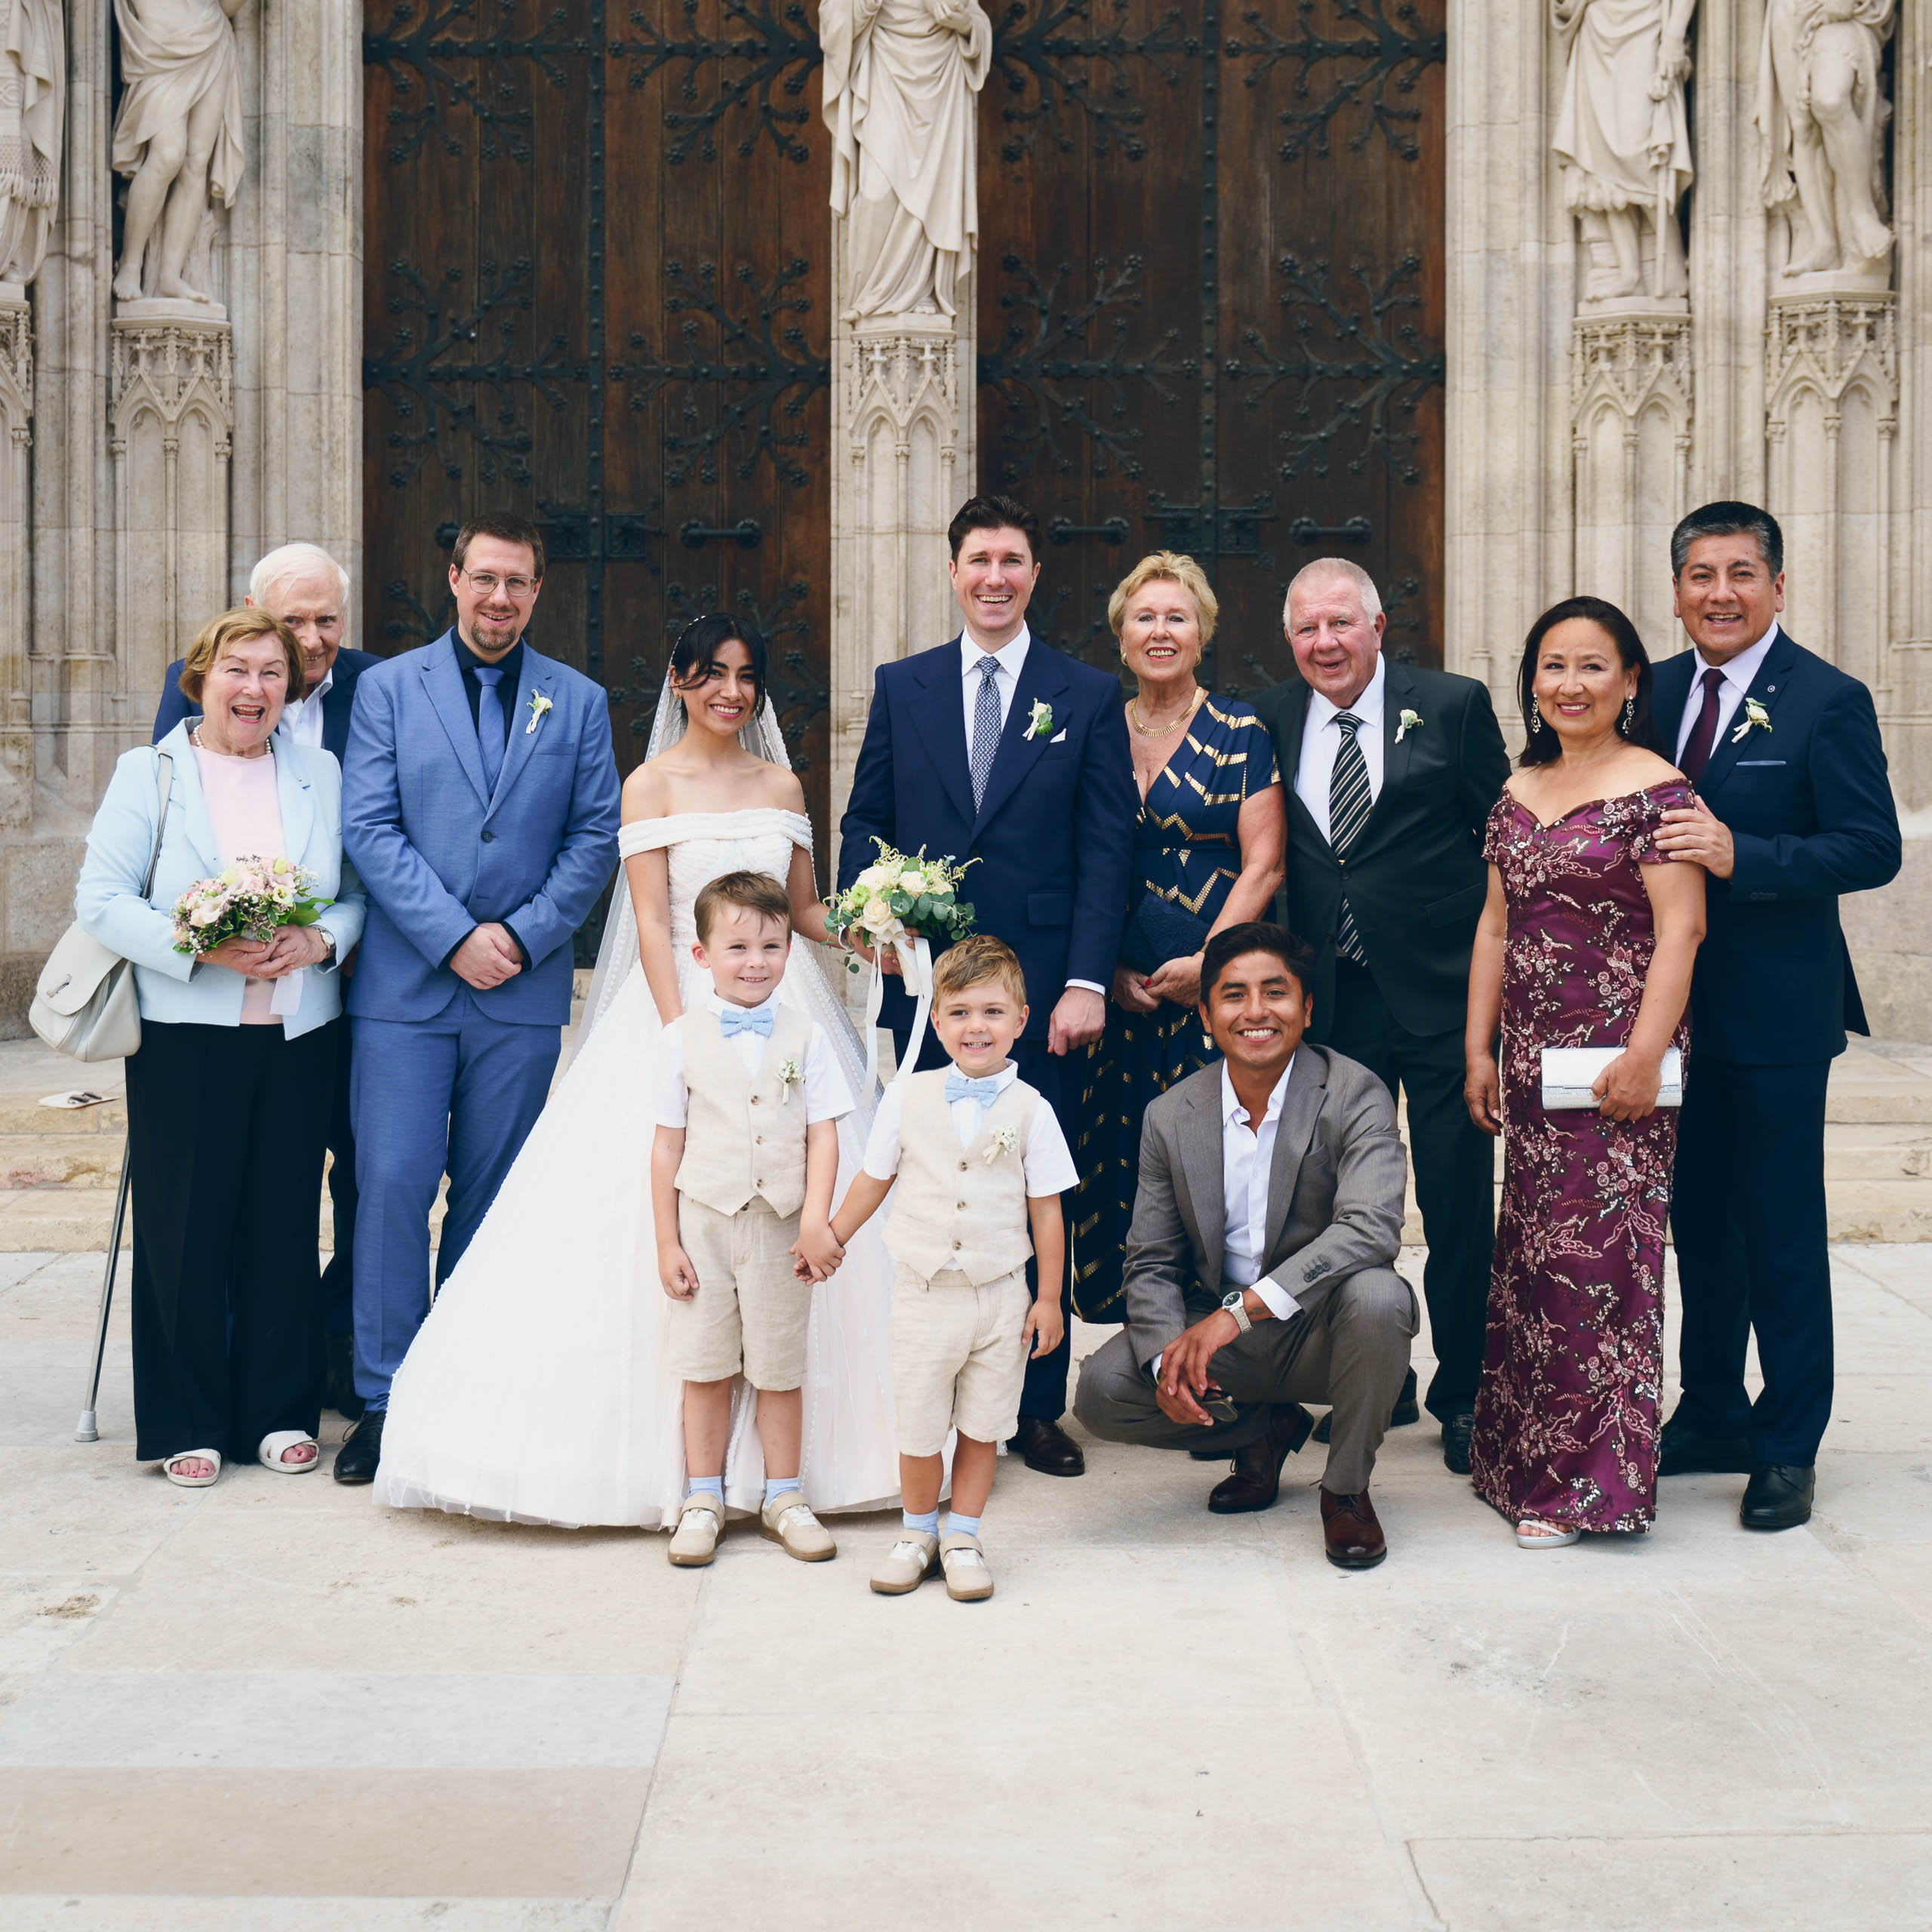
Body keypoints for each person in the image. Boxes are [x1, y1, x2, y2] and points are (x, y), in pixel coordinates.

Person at [371, 615, 900, 1530]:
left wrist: (873, 935)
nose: (729, 692)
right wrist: (682, 1037)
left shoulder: (781, 783)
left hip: (785, 1016)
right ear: (679, 681)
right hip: (682, 1010)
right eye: (711, 675)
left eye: (745, 676)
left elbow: (805, 908)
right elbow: (654, 922)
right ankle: (691, 1478)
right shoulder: (648, 786)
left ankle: (789, 1477)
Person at [838, 492, 1137, 1477]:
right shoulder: (904, 685)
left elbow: (1106, 852)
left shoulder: (1085, 695)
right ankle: (930, 1391)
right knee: (932, 1186)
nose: (995, 578)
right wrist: (872, 918)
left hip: (1044, 993)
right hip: (930, 993)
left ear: (1035, 573)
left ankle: (1031, 1407)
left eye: (1012, 560)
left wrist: (1087, 981)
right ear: (954, 569)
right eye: (979, 561)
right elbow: (865, 822)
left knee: (1026, 1190)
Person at [333, 512, 621, 1482]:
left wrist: (524, 935)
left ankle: (466, 1384)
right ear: (453, 578)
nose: (500, 598)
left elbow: (594, 838)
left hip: (520, 994)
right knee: (394, 1188)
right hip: (408, 991)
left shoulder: (575, 702)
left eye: (519, 583)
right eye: (484, 578)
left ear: (539, 592)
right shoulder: (386, 689)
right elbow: (369, 828)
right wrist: (455, 937)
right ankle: (384, 1397)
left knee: (492, 1200)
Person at [1650, 502, 1902, 1531]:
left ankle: (1789, 1440)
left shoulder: (1827, 701)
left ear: (1778, 587)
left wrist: (1741, 857)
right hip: (1671, 1014)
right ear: (1677, 592)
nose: (1721, 593)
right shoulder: (1651, 692)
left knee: (1782, 1233)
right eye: (1702, 575)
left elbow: (1869, 847)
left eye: (1742, 573)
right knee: (1699, 1225)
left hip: (1780, 1018)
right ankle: (1709, 1408)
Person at [75, 607, 365, 1485]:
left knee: (281, 1224)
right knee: (187, 1229)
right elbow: (103, 898)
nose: (255, 688)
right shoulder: (151, 772)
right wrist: (198, 942)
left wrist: (320, 943)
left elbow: (352, 895)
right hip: (184, 1037)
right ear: (200, 678)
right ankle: (186, 1419)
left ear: (292, 687)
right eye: (237, 669)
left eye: (273, 673)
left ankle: (276, 1413)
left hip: (296, 1032)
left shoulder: (317, 771)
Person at [1249, 558, 1511, 1474]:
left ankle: (1467, 1394)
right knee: (1340, 1206)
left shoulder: (1452, 705)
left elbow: (1507, 842)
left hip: (1441, 997)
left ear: (1376, 625)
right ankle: (1378, 1373)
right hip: (1334, 1005)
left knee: (1452, 1201)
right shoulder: (1270, 719)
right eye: (1307, 630)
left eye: (1339, 625)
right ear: (1291, 642)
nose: (1325, 643)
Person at [1463, 598, 1705, 1546]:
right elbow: (1494, 925)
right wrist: (1476, 1047)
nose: (1569, 684)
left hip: (1614, 1072)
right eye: (1552, 666)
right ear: (1531, 682)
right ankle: (1517, 1457)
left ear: (1631, 679)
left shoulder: (1661, 793)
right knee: (1529, 1262)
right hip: (1529, 1066)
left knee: (1599, 1273)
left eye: (1592, 666)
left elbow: (1681, 931)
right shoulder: (1517, 790)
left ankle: (1584, 1490)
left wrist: (1647, 1056)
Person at [1073, 923, 1415, 1568]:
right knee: (1103, 1388)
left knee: (1380, 1298)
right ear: (1205, 1013)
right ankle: (1264, 1428)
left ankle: (1345, 1491)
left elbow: (1370, 1228)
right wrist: (1165, 1367)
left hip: (1321, 1325)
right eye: (1233, 995)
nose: (1255, 1012)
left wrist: (1238, 1315)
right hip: (1221, 1335)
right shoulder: (1171, 1115)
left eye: (1275, 993)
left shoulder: (1355, 1091)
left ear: (1307, 1008)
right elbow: (1150, 1261)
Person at [155, 540, 377, 1420]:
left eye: (328, 619)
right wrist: (201, 936)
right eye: (292, 622)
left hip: (344, 993)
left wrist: (325, 940)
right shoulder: (192, 692)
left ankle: (334, 1350)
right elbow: (167, 834)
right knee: (231, 1188)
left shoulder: (384, 687)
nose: (312, 638)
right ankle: (227, 1369)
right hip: (212, 1009)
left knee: (352, 1174)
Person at [827, 936, 1077, 1601]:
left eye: (993, 1013)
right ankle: (916, 1532)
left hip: (1000, 1297)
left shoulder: (1033, 1111)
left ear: (1021, 1021)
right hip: (924, 1291)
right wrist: (833, 1238)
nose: (976, 1028)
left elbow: (1048, 1212)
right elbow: (872, 1180)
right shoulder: (905, 1098)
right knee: (918, 1421)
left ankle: (963, 1533)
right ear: (935, 1021)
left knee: (984, 1423)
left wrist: (1047, 1298)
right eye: (961, 1013)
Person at [1072, 552, 1286, 1325]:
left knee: (1212, 1167)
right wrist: (1106, 970)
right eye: (1144, 617)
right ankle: (1144, 1345)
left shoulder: (1237, 729)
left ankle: (1217, 1354)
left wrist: (1211, 968)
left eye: (1176, 617)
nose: (1159, 631)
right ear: (1120, 636)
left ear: (1202, 634)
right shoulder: (1094, 727)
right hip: (1122, 985)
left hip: (1212, 989)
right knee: (1119, 1158)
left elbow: (1264, 862)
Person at [651, 871, 853, 1567]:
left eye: (771, 944)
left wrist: (816, 1220)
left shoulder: (808, 1036)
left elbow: (823, 1133)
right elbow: (666, 1145)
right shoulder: (680, 1039)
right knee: (703, 1365)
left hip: (781, 1225)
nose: (756, 961)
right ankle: (702, 1497)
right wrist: (666, 1242)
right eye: (737, 947)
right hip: (705, 1221)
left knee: (778, 1364)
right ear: (703, 955)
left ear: (789, 949)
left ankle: (784, 1495)